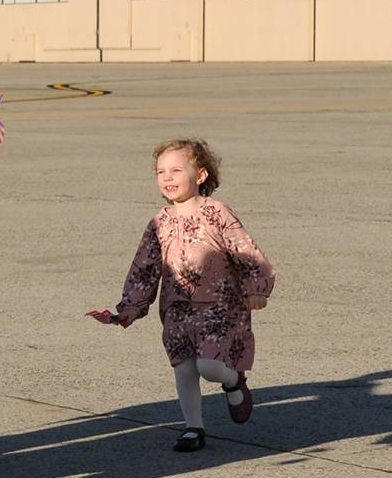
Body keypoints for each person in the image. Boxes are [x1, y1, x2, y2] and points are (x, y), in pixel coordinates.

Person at [95, 139, 274, 452]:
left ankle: (233, 381)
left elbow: (246, 252)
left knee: (209, 367)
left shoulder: (217, 212)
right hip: (177, 308)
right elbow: (145, 268)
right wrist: (131, 307)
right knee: (185, 368)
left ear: (201, 175)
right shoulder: (159, 223)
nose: (167, 177)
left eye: (176, 170)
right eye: (161, 171)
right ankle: (193, 427)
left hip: (219, 307)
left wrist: (256, 288)